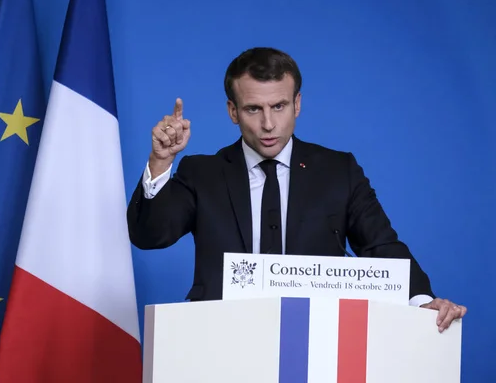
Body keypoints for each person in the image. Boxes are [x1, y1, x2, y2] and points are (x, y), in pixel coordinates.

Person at [126, 47, 466, 332]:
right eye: (253, 109)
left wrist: (423, 299)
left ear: (297, 104)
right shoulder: (202, 172)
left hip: (317, 339)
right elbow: (148, 235)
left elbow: (380, 245)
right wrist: (160, 161)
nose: (268, 124)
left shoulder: (338, 171)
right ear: (233, 111)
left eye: (279, 106)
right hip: (221, 336)